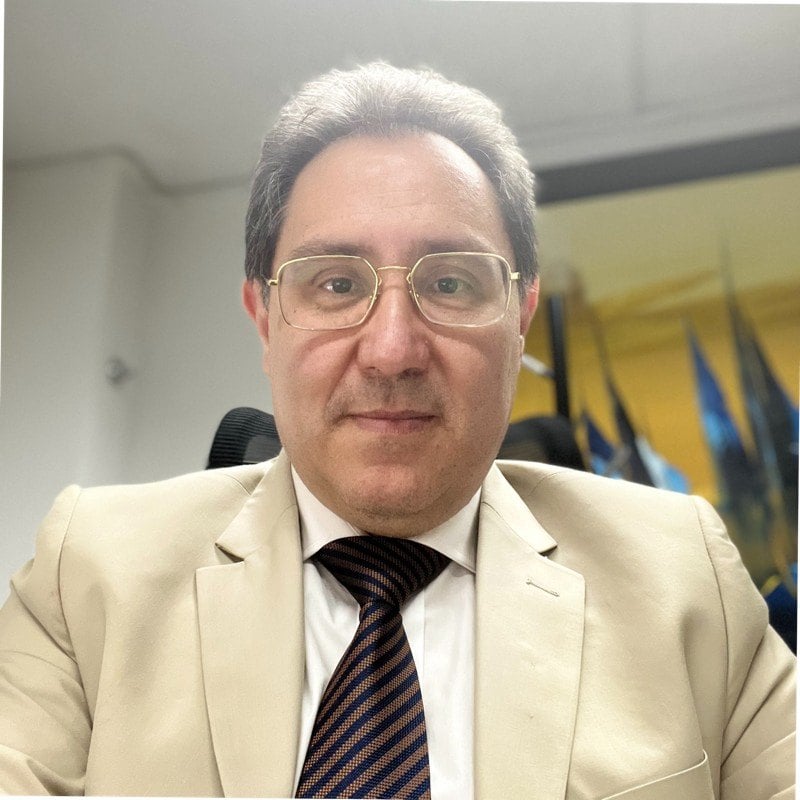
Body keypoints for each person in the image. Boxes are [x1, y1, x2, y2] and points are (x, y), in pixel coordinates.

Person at [0, 62, 794, 800]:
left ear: (519, 318)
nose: (392, 350)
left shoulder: (683, 574)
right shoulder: (90, 572)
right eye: (335, 284)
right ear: (265, 320)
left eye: (449, 282)